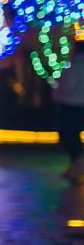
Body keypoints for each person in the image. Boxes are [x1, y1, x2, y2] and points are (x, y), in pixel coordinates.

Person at [54, 36, 84, 182]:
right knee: (72, 133)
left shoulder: (75, 64)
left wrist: (57, 92)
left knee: (68, 134)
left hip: (71, 104)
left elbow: (68, 85)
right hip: (77, 103)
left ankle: (77, 163)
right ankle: (76, 165)